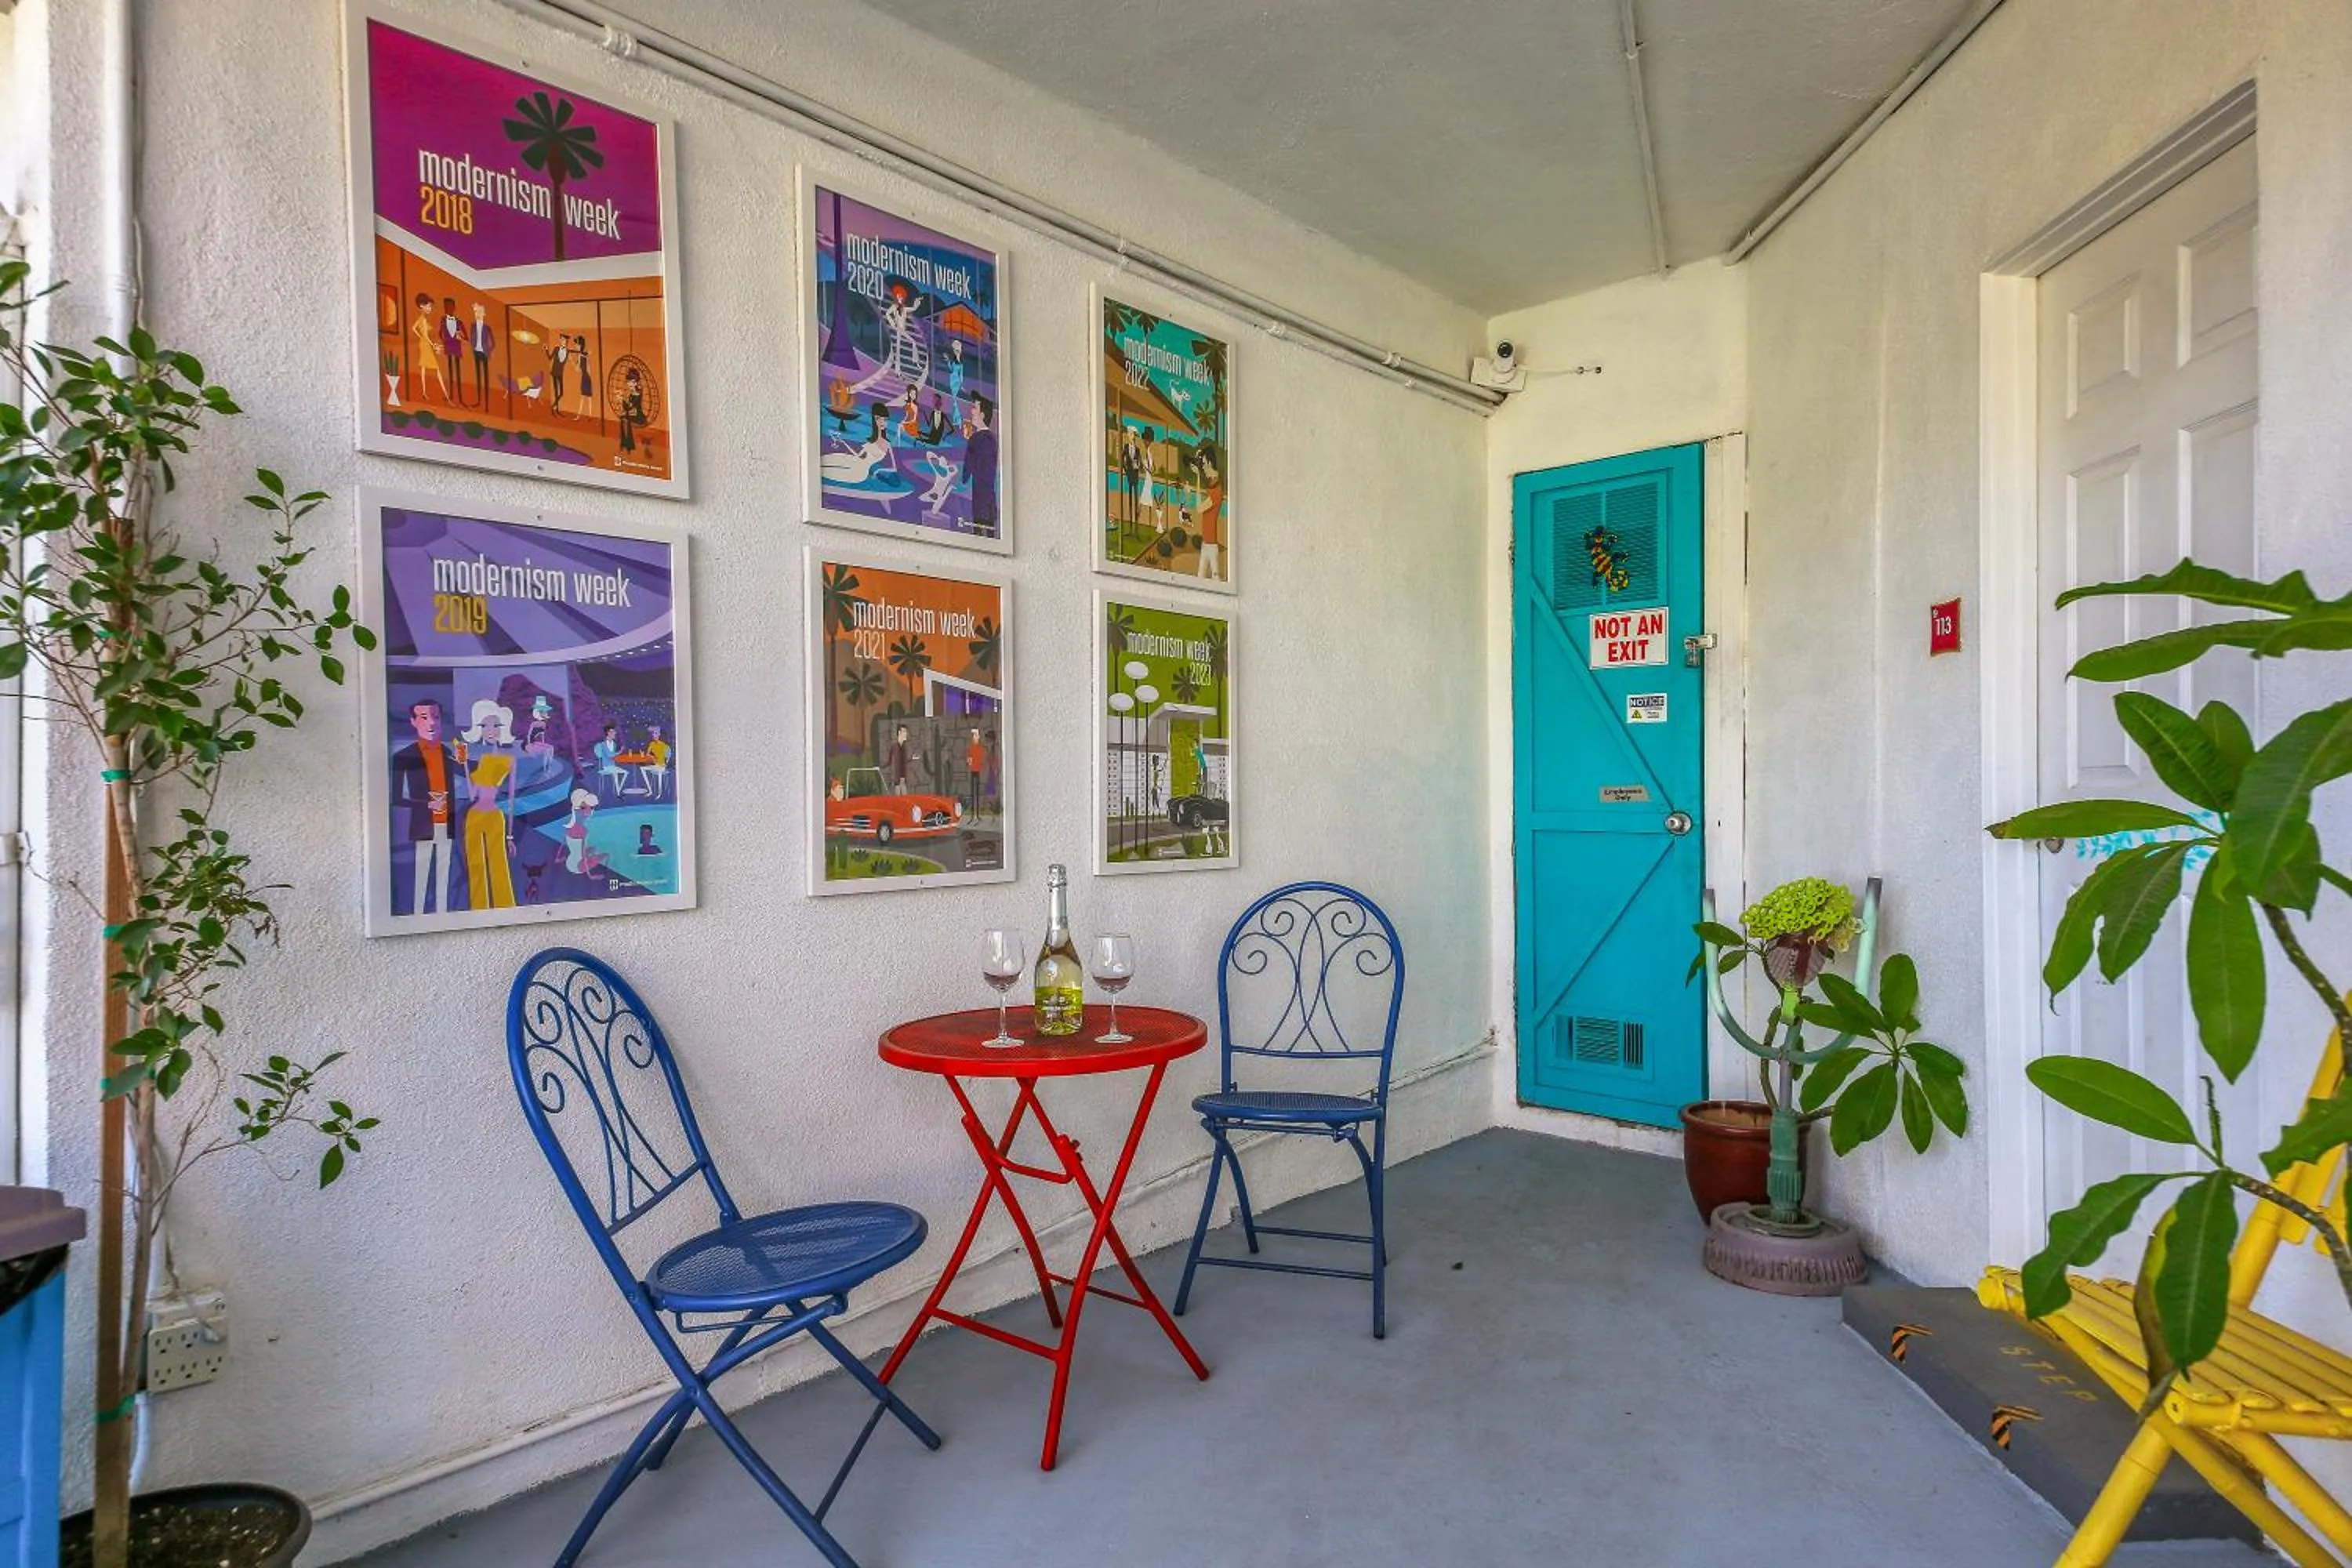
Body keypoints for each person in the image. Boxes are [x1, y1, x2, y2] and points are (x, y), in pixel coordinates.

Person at [392, 698, 458, 915]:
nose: (431, 723)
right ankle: (418, 915)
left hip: (447, 823)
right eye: (424, 717)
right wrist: (426, 804)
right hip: (423, 824)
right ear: (413, 721)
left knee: (443, 874)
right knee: (422, 874)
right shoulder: (403, 757)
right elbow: (397, 798)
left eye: (436, 717)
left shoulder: (449, 754)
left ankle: (442, 915)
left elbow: (472, 774)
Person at [460, 699, 520, 909]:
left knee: (498, 863)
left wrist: (510, 836)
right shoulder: (477, 758)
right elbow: (471, 795)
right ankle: (479, 908)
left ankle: (505, 906)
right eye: (485, 725)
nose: (491, 730)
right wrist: (465, 766)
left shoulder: (509, 760)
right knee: (476, 864)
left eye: (495, 725)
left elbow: (511, 800)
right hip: (474, 817)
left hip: (495, 817)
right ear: (479, 728)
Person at [961, 395, 1000, 539]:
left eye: (975, 408)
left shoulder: (978, 438)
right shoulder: (990, 438)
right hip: (987, 493)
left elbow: (970, 465)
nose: (972, 411)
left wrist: (970, 442)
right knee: (987, 525)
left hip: (981, 492)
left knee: (980, 524)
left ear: (982, 415)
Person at [411, 293, 448, 401]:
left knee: (424, 368)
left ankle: (424, 392)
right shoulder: (422, 319)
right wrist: (433, 345)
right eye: (429, 306)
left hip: (423, 343)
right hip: (426, 345)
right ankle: (445, 394)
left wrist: (421, 337)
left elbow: (414, 328)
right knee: (436, 369)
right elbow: (425, 335)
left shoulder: (421, 318)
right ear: (422, 306)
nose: (430, 309)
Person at [561, 788, 599, 875]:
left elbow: (564, 842)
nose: (589, 811)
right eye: (583, 808)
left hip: (569, 863)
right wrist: (591, 876)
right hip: (578, 866)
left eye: (591, 808)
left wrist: (559, 858)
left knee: (593, 849)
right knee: (606, 855)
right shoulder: (583, 831)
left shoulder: (569, 825)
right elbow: (583, 856)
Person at [440, 298, 466, 407]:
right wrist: (443, 341)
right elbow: (440, 332)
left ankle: (460, 397)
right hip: (449, 346)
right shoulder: (443, 320)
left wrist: (462, 337)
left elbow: (466, 336)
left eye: (450, 307)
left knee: (458, 372)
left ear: (454, 308)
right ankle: (451, 394)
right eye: (446, 307)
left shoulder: (459, 321)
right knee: (451, 371)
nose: (448, 309)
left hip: (456, 347)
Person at [470, 303, 495, 410]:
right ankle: (479, 401)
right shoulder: (473, 325)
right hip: (476, 353)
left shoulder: (487, 327)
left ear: (483, 314)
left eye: (479, 312)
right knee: (479, 378)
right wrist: (473, 347)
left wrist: (488, 351)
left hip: (484, 353)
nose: (477, 314)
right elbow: (472, 338)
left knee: (486, 378)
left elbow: (493, 343)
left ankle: (487, 404)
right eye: (475, 312)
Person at [592, 722, 626, 797]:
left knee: (625, 773)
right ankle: (618, 793)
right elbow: (610, 755)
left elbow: (613, 756)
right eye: (613, 732)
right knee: (616, 773)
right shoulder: (603, 745)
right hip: (606, 767)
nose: (615, 733)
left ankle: (618, 790)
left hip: (613, 766)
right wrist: (620, 752)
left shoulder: (614, 744)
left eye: (614, 731)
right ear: (608, 733)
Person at [644, 723, 671, 799]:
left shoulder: (663, 745)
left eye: (656, 733)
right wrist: (653, 757)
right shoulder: (652, 744)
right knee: (642, 769)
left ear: (659, 734)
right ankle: (650, 790)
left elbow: (667, 756)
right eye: (653, 734)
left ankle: (659, 793)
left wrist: (665, 764)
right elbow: (647, 754)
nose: (654, 735)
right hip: (655, 765)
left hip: (662, 766)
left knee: (659, 772)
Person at [965, 725, 986, 815]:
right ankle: (973, 812)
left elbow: (981, 759)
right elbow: (969, 758)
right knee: (972, 791)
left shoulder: (980, 748)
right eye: (974, 736)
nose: (975, 738)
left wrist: (976, 762)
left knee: (976, 791)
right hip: (972, 770)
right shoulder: (971, 747)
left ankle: (977, 813)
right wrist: (969, 761)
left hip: (977, 770)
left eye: (976, 736)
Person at [887, 724, 913, 793]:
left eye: (906, 732)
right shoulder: (894, 747)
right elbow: (890, 761)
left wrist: (911, 758)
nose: (906, 734)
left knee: (903, 786)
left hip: (903, 775)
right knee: (898, 787)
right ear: (899, 733)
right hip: (897, 776)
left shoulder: (904, 747)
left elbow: (905, 760)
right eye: (904, 731)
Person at [574, 336, 595, 419]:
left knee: (588, 397)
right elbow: (577, 370)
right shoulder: (580, 355)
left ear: (580, 345)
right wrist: (572, 361)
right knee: (583, 397)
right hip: (584, 377)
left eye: (577, 345)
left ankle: (589, 415)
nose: (576, 346)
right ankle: (580, 415)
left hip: (587, 377)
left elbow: (587, 363)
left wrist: (587, 355)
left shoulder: (583, 355)